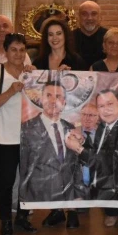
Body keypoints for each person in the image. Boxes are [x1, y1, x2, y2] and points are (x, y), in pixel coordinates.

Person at [33, 18, 86, 228]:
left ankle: (72, 210)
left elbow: (83, 90)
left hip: (70, 118)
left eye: (58, 33)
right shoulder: (39, 61)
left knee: (70, 163)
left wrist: (68, 77)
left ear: (65, 36)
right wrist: (29, 73)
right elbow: (34, 91)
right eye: (50, 34)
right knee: (51, 162)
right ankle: (56, 210)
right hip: (47, 120)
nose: (55, 38)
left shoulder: (76, 60)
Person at [0, 33, 35, 235]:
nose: (18, 54)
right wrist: (11, 91)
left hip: (28, 137)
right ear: (5, 51)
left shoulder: (30, 74)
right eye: (13, 50)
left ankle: (22, 217)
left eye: (22, 50)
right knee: (5, 182)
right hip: (5, 138)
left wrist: (35, 77)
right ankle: (5, 220)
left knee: (27, 181)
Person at [19, 80, 86, 216]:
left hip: (68, 196)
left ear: (64, 102)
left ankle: (61, 214)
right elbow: (23, 168)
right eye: (48, 95)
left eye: (58, 96)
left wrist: (78, 195)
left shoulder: (71, 128)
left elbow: (76, 167)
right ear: (41, 99)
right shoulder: (27, 128)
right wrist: (24, 201)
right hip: (39, 196)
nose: (53, 101)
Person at [69, 89, 118, 227]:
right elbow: (98, 152)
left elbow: (111, 160)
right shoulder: (104, 125)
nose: (106, 109)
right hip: (108, 181)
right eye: (101, 106)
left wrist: (78, 149)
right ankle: (111, 212)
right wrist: (82, 142)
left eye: (110, 104)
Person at [73, 1, 107, 70]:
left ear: (100, 17)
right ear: (78, 17)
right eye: (84, 14)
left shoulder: (109, 37)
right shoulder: (69, 38)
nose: (89, 18)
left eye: (94, 14)